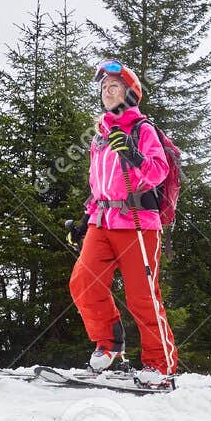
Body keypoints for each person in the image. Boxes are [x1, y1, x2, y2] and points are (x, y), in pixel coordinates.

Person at [67, 61, 178, 387]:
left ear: (131, 94)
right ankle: (109, 343)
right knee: (83, 282)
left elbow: (158, 172)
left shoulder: (143, 130)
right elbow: (98, 183)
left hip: (138, 223)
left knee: (142, 297)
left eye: (114, 86)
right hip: (102, 221)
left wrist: (134, 154)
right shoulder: (99, 136)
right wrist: (87, 217)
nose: (106, 91)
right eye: (103, 87)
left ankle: (160, 365)